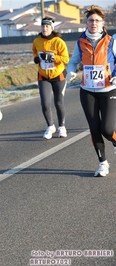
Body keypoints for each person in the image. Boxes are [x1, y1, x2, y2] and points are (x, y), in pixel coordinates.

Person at [66, 5, 116, 177]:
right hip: (87, 90)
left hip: (109, 89)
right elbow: (73, 61)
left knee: (107, 129)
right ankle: (102, 163)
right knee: (94, 128)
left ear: (103, 23)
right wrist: (71, 71)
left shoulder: (111, 41)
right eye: (90, 20)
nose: (93, 23)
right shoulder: (81, 42)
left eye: (97, 21)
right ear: (86, 23)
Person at [32, 17, 70, 140]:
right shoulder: (37, 41)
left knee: (58, 102)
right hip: (43, 75)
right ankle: (50, 126)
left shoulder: (58, 41)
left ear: (51, 28)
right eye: (43, 26)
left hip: (58, 74)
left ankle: (62, 127)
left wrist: (53, 58)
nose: (44, 28)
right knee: (44, 103)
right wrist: (36, 59)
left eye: (47, 26)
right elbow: (34, 52)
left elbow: (66, 59)